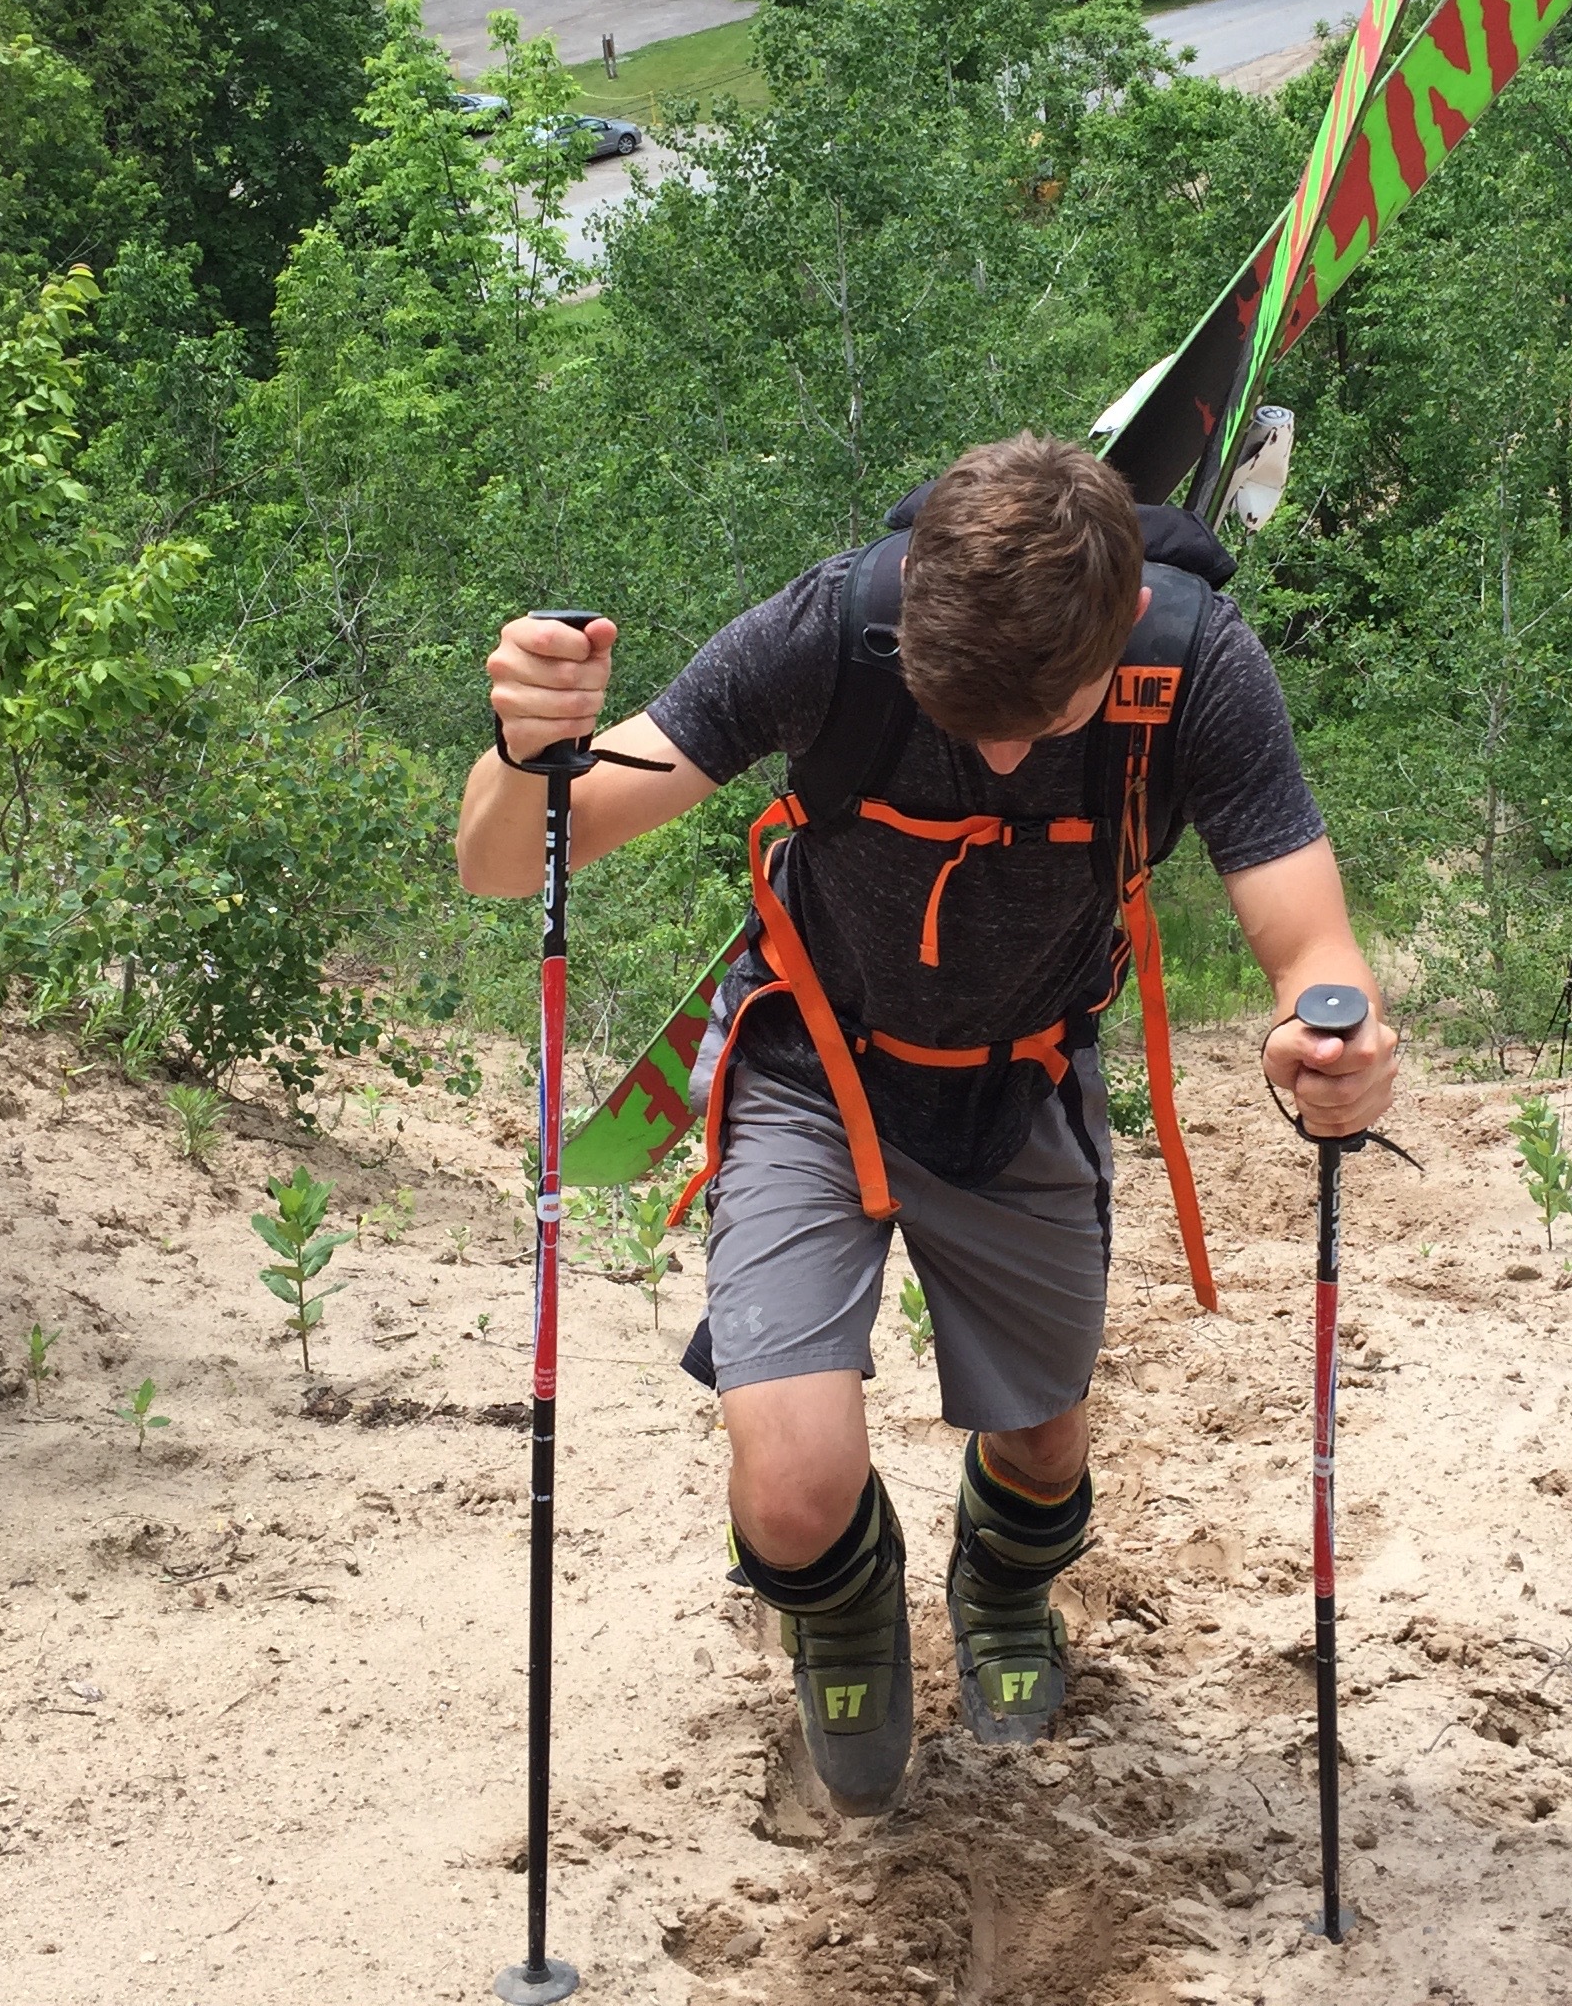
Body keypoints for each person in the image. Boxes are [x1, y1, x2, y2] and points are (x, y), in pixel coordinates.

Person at [456, 434, 1398, 1813]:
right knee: (789, 1488)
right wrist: (523, 745)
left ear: (1123, 622)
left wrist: (1332, 1042)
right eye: (968, 720)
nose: (1008, 751)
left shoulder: (1196, 664)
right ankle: (843, 1609)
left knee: (1042, 1445)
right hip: (812, 1065)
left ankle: (1004, 1589)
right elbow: (503, 859)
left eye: (1046, 719)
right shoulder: (836, 629)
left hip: (1020, 1079)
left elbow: (1311, 941)